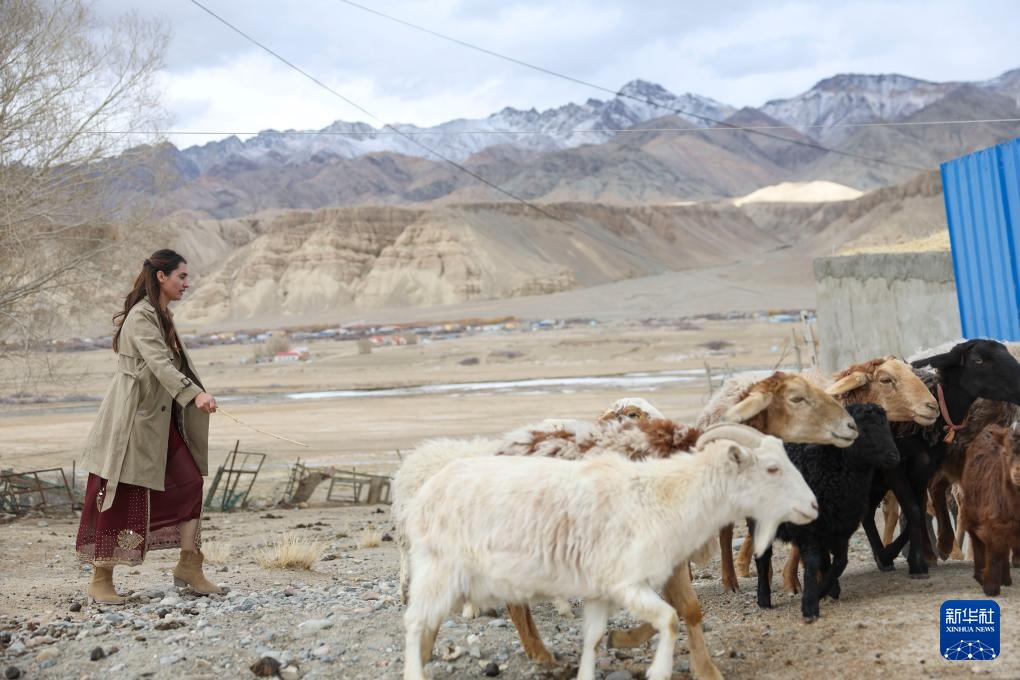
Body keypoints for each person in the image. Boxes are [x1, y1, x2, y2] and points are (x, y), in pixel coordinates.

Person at [75, 249, 224, 603]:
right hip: (132, 421)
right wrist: (194, 395)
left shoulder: (162, 315)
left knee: (189, 482)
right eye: (182, 277)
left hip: (160, 419)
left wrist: (191, 396)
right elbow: (159, 363)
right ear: (162, 276)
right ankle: (100, 580)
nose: (187, 283)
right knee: (116, 493)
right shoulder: (142, 316)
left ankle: (190, 566)